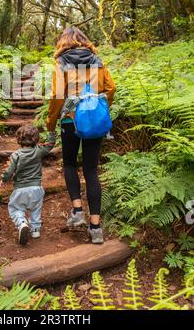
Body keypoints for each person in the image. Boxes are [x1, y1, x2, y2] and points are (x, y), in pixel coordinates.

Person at [46, 27, 116, 244]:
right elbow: (111, 88)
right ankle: (96, 227)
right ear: (84, 41)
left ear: (63, 43)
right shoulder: (98, 60)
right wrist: (98, 108)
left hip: (70, 119)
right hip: (94, 121)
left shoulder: (61, 64)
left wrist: (50, 123)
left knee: (69, 164)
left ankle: (77, 211)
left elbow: (57, 97)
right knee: (91, 170)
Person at [1, 124, 55, 245]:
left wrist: (4, 180)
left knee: (16, 208)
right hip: (36, 188)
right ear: (36, 139)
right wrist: (51, 131)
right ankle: (35, 230)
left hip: (20, 189)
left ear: (19, 139)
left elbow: (9, 171)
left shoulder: (16, 155)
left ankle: (21, 223)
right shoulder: (39, 151)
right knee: (36, 208)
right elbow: (51, 145)